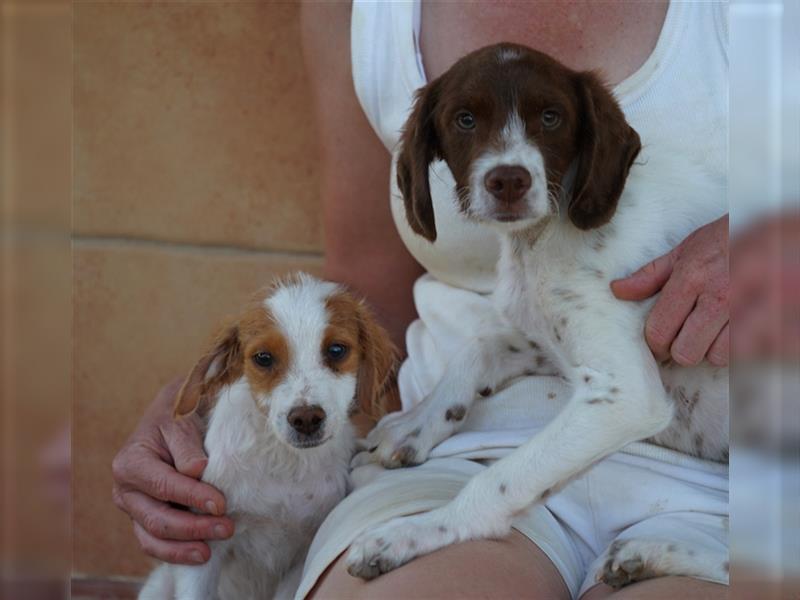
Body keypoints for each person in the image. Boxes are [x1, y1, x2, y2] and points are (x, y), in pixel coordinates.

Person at [112, 2, 729, 598]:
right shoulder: (357, 14)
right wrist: (221, 398)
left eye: (547, 120)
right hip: (463, 456)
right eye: (467, 122)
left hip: (724, 482)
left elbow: (630, 400)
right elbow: (362, 296)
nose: (507, 164)